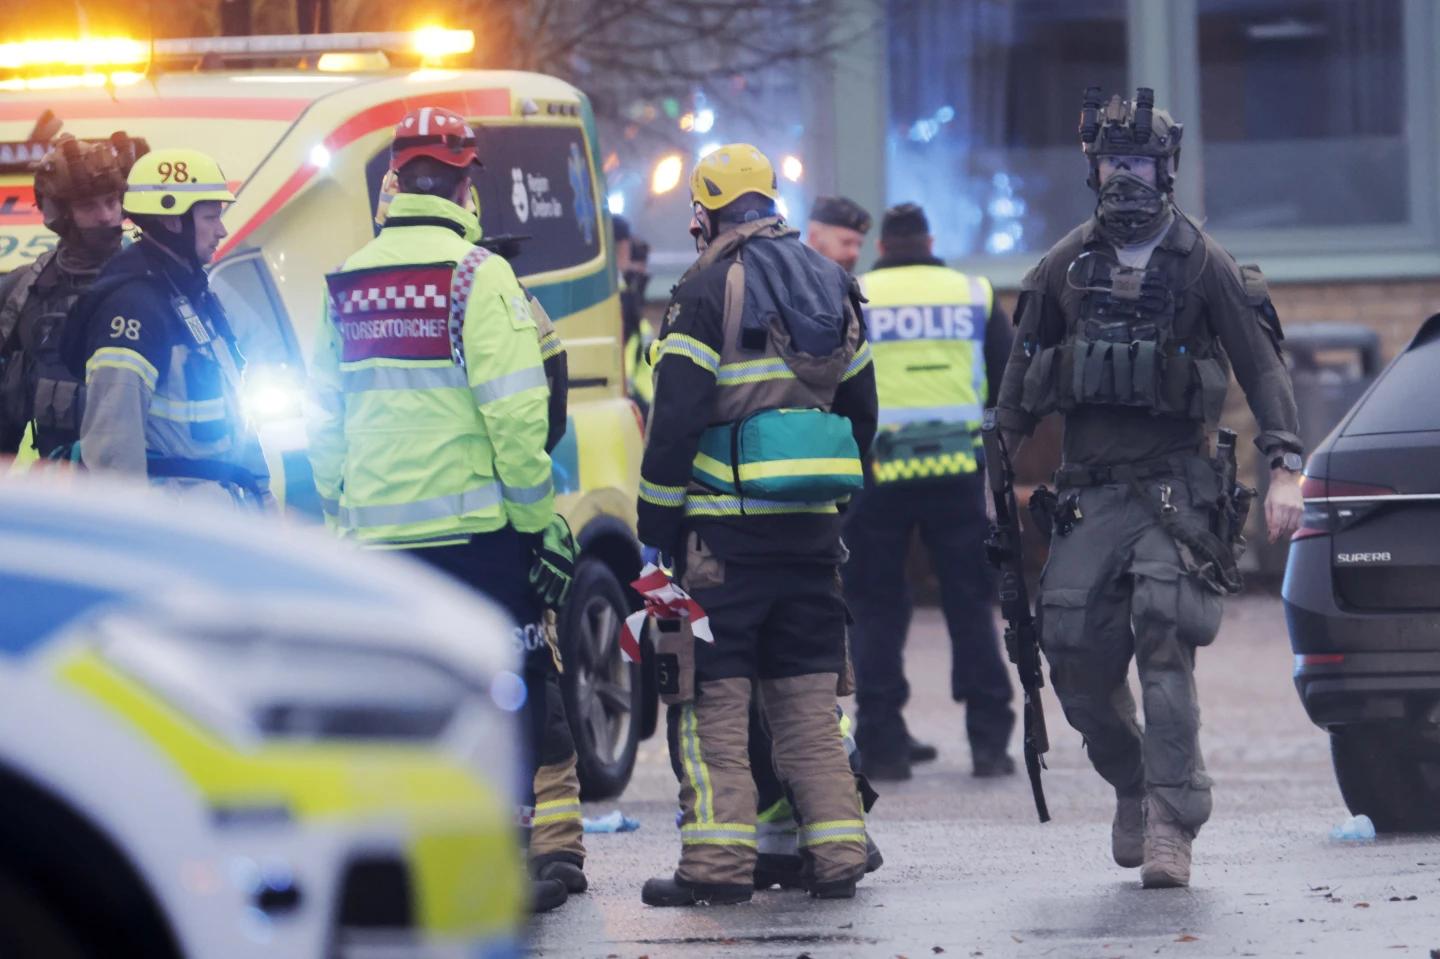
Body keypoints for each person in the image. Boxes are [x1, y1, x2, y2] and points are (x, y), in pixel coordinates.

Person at [994, 87, 1304, 888]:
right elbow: (1020, 385)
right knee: (1072, 658)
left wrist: (1286, 467)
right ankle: (1133, 781)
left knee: (1164, 639)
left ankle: (1172, 818)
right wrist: (992, 471)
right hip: (1089, 490)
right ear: (1092, 170)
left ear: (1165, 170)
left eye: (1138, 163)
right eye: (1111, 163)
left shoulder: (1204, 263)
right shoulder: (1066, 265)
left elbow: (1263, 367)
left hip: (1175, 487)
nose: (1123, 179)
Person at [306, 107, 583, 913]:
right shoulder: (477, 275)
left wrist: (340, 511)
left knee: (402, 703)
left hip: (378, 541)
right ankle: (497, 864)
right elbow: (514, 417)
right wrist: (540, 526)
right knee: (507, 692)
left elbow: (325, 420)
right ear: (466, 185)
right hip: (478, 540)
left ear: (394, 183)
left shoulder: (349, 279)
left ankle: (411, 865)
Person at [636, 143, 879, 907]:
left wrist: (656, 526)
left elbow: (674, 420)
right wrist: (833, 506)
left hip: (721, 542)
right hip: (810, 538)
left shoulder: (706, 287)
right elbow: (862, 413)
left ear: (705, 213)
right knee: (809, 706)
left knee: (712, 707)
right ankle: (838, 854)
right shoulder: (834, 281)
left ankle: (715, 867)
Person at [844, 202, 1017, 782]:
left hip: (877, 473)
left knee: (875, 607)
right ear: (930, 240)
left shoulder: (857, 291)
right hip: (955, 468)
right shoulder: (972, 293)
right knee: (969, 604)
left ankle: (884, 743)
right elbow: (1006, 377)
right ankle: (989, 742)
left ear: (884, 246)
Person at [754, 192, 881, 890]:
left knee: (803, 690)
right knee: (804, 687)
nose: (850, 255)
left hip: (781, 514)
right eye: (843, 241)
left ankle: (836, 823)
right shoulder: (815, 291)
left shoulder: (767, 289)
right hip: (815, 509)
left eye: (857, 246)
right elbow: (861, 410)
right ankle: (816, 834)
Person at [65, 147, 270, 508]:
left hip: (221, 513)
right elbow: (113, 453)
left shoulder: (193, 295)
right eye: (210, 217)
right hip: (177, 525)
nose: (221, 230)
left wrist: (263, 497)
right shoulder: (132, 309)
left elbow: (233, 412)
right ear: (173, 221)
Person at [0, 132, 147, 460]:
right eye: (88, 206)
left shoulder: (154, 282)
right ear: (60, 214)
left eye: (112, 201)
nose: (107, 216)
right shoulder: (23, 293)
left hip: (147, 487)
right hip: (62, 491)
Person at [804, 195, 872, 273]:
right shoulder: (791, 279)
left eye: (859, 245)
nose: (855, 253)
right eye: (846, 242)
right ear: (814, 236)